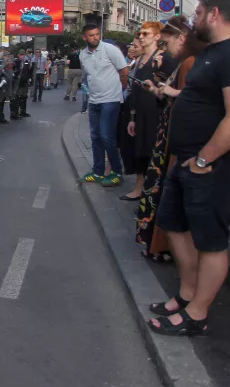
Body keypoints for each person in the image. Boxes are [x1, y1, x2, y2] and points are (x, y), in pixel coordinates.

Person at [148, 0, 230, 337]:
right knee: (173, 224)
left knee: (210, 241)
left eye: (198, 12)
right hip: (188, 161)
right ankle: (187, 294)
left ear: (214, 14)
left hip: (213, 165)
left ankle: (197, 313)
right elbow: (200, 97)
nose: (194, 18)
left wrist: (203, 160)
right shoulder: (215, 52)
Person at [135, 16, 206, 263]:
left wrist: (169, 91)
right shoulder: (185, 62)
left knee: (165, 191)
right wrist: (158, 90)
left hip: (175, 137)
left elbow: (193, 98)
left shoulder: (187, 63)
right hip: (168, 132)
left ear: (182, 39)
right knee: (159, 188)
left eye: (167, 42)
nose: (166, 49)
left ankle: (162, 247)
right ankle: (158, 244)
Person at [77, 24, 128, 187]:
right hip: (94, 101)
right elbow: (89, 75)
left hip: (111, 100)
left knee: (107, 136)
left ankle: (117, 172)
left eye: (97, 34)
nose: (95, 38)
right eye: (91, 35)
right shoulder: (83, 54)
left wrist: (120, 90)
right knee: (95, 137)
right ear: (85, 37)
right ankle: (98, 171)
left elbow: (124, 72)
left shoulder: (110, 49)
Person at [123, 22, 164, 201]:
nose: (140, 36)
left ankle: (152, 192)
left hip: (155, 113)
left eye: (146, 34)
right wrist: (132, 117)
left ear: (157, 37)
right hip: (138, 113)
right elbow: (134, 91)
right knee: (138, 151)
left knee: (152, 152)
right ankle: (140, 188)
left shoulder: (162, 59)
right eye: (140, 33)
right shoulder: (138, 61)